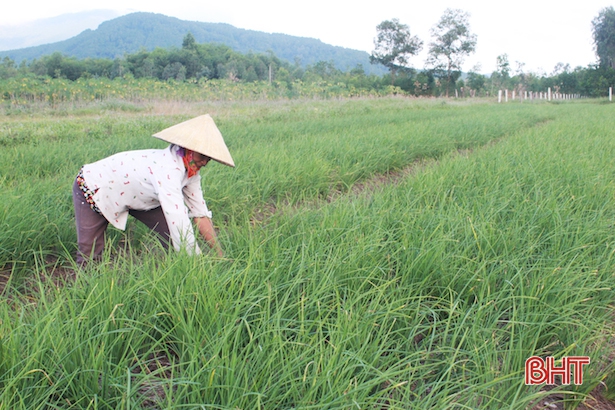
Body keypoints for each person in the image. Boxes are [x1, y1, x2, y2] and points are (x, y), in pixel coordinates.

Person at [72, 114, 234, 266]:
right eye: (202, 156)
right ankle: (84, 290)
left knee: (172, 239)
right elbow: (178, 220)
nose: (205, 162)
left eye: (209, 158)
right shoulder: (167, 170)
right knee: (90, 255)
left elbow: (200, 214)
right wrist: (197, 264)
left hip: (139, 196)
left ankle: (180, 273)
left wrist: (220, 255)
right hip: (95, 186)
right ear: (189, 149)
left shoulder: (191, 172)